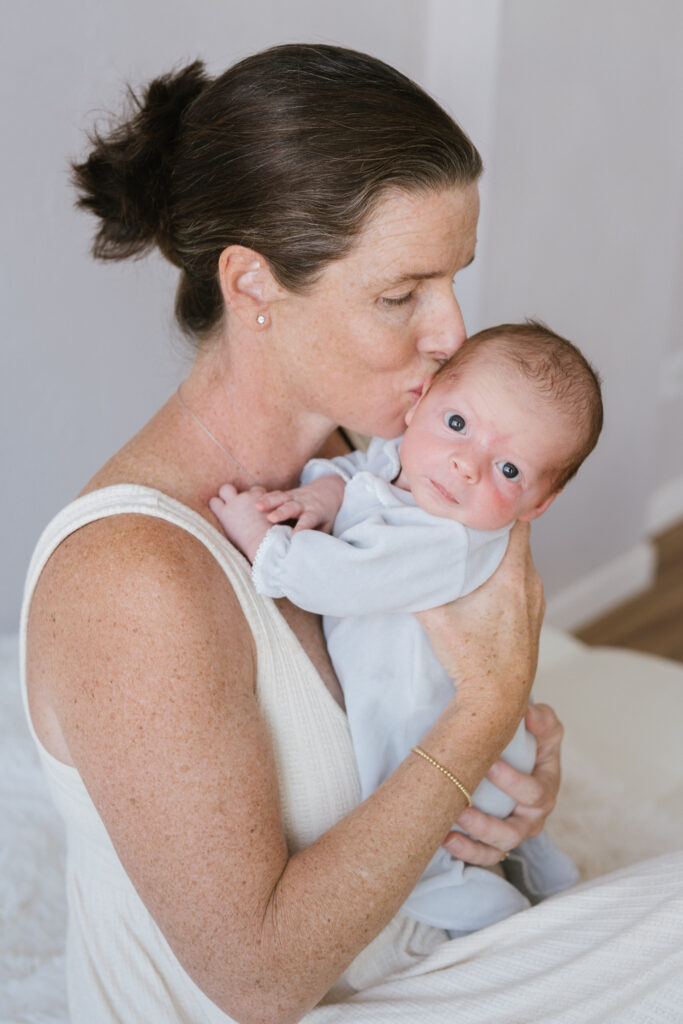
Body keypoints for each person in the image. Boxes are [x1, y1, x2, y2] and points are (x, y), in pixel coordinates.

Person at [20, 44, 683, 1024]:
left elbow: (401, 704)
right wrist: (483, 708)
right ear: (251, 287)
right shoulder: (132, 577)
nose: (452, 332)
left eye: (454, 277)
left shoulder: (376, 466)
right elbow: (258, 980)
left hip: (415, 950)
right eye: (398, 293)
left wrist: (493, 799)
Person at [209, 321, 600, 935]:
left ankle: (514, 930)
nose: (466, 464)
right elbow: (364, 474)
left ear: (536, 506)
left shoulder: (448, 541)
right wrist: (325, 498)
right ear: (424, 402)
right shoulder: (402, 461)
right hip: (501, 745)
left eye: (508, 469)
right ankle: (548, 869)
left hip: (441, 741)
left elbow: (343, 578)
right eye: (457, 425)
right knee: (517, 826)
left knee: (423, 869)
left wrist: (265, 543)